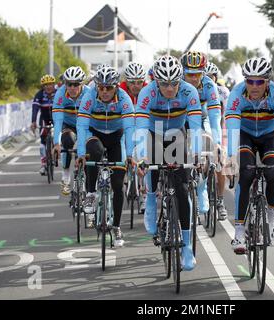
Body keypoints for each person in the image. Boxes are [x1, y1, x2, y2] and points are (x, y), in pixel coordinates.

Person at [225, 57, 274, 254]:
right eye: (250, 80)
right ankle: (239, 231)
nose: (254, 85)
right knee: (246, 174)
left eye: (259, 81)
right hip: (245, 135)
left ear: (267, 81)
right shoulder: (236, 95)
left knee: (273, 174)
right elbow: (232, 129)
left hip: (269, 135)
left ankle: (271, 218)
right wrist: (231, 158)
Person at [134, 55, 202, 271]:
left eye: (174, 83)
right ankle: (152, 201)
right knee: (153, 166)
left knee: (181, 189)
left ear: (180, 81)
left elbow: (196, 125)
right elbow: (140, 127)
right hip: (154, 134)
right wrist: (142, 156)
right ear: (156, 82)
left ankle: (187, 247)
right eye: (164, 84)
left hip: (177, 135)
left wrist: (199, 154)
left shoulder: (189, 91)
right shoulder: (147, 93)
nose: (170, 88)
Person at [76, 65, 135, 248]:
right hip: (95, 134)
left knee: (118, 184)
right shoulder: (89, 97)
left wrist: (131, 154)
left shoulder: (124, 99)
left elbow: (131, 128)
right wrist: (80, 153)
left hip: (117, 136)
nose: (104, 91)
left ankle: (116, 226)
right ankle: (92, 193)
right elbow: (81, 125)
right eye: (100, 87)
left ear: (116, 87)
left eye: (108, 88)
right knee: (94, 152)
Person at [180, 51, 223, 220]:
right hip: (182, 119)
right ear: (183, 72)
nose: (194, 78)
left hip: (203, 118)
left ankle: (202, 186)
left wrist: (217, 142)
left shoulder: (209, 85)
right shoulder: (178, 84)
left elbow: (215, 116)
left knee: (208, 144)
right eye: (190, 74)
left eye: (198, 74)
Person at [52, 66, 91, 195]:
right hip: (68, 124)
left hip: (86, 125)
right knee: (67, 140)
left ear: (81, 84)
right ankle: (66, 175)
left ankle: (88, 178)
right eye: (69, 84)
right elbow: (57, 120)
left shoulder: (89, 93)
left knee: (90, 147)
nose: (72, 88)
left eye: (75, 84)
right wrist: (56, 143)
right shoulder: (60, 94)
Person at [120, 62, 149, 214]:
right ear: (127, 81)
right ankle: (125, 175)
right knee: (123, 153)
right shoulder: (120, 90)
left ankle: (144, 195)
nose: (136, 86)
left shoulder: (147, 89)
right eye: (132, 82)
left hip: (141, 127)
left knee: (144, 157)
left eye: (139, 82)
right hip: (125, 127)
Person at [204, 61, 230, 220]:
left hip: (221, 127)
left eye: (210, 76)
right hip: (202, 127)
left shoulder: (223, 92)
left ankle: (220, 200)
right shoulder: (197, 90)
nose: (207, 79)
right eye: (204, 76)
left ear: (215, 77)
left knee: (221, 164)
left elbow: (227, 116)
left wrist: (223, 140)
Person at [31, 74, 57, 176]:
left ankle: (55, 153)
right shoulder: (39, 95)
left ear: (54, 85)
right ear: (43, 86)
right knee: (42, 142)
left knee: (57, 136)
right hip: (44, 120)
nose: (48, 87)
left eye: (50, 84)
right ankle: (43, 163)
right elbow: (35, 109)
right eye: (45, 85)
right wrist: (33, 122)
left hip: (56, 119)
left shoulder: (58, 93)